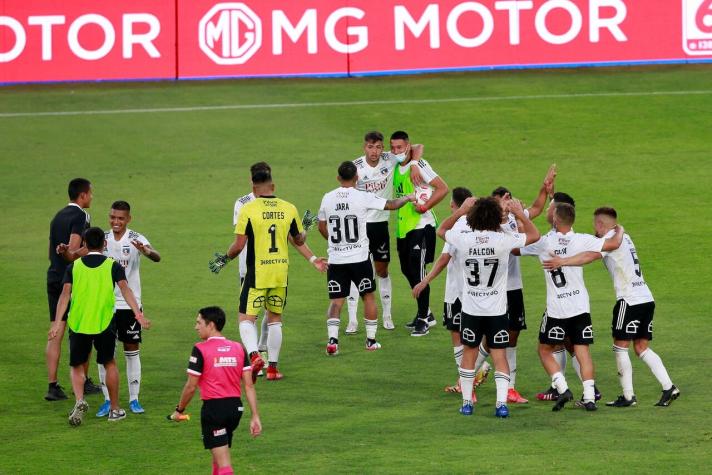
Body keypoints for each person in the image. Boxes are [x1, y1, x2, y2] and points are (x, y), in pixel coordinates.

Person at [542, 207, 679, 407]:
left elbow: (589, 256)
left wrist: (563, 261)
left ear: (600, 224)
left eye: (594, 224)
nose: (593, 228)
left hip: (629, 300)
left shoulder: (611, 241)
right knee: (641, 348)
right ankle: (668, 387)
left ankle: (628, 396)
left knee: (620, 347)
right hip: (646, 297)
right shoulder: (624, 235)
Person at [209, 169, 327, 381]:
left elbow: (238, 245)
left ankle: (254, 355)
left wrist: (224, 259)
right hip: (280, 272)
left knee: (246, 318)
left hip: (257, 272)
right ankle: (273, 368)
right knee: (275, 319)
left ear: (254, 188)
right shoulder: (288, 207)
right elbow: (298, 240)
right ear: (273, 186)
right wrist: (306, 232)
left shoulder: (248, 208)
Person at [438, 197, 540, 417]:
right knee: (499, 356)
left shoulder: (464, 239)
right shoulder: (503, 240)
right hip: (496, 310)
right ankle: (500, 405)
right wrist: (519, 213)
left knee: (469, 354)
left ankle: (467, 403)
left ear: (472, 217)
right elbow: (534, 236)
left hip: (471, 309)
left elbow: (442, 229)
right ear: (495, 217)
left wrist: (460, 211)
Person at [517, 203, 624, 411]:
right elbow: (613, 244)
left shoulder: (545, 242)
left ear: (555, 220)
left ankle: (563, 387)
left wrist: (519, 216)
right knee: (582, 351)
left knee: (544, 350)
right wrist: (618, 228)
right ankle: (590, 397)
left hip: (557, 308)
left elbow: (516, 247)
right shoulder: (583, 240)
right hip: (580, 306)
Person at [48, 227, 150, 426]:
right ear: (104, 244)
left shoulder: (74, 267)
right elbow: (125, 289)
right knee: (109, 363)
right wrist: (138, 314)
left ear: (84, 244)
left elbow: (64, 295)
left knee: (77, 365)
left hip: (79, 323)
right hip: (104, 323)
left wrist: (57, 323)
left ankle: (79, 401)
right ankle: (114, 409)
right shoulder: (112, 266)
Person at [472, 166, 557, 404]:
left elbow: (538, 208)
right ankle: (468, 376)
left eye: (508, 202)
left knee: (513, 336)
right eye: (503, 203)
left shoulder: (512, 219)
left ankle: (510, 388)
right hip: (496, 290)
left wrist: (545, 187)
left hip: (514, 288)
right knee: (494, 338)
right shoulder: (489, 225)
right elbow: (519, 248)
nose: (507, 206)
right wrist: (520, 218)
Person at [318, 161, 415, 354]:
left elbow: (321, 226)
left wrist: (336, 242)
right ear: (357, 178)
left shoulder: (327, 198)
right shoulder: (362, 197)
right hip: (359, 259)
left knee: (336, 301)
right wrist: (409, 197)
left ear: (338, 178)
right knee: (368, 296)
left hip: (336, 259)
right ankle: (370, 341)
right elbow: (391, 204)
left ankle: (333, 341)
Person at [413, 187, 490, 400]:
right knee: (481, 336)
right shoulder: (482, 226)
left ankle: (467, 382)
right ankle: (472, 375)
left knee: (459, 338)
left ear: (454, 205)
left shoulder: (457, 226)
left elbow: (444, 258)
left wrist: (425, 280)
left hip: (456, 293)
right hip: (481, 293)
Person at [345, 131, 424, 333]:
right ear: (365, 147)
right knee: (356, 271)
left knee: (382, 270)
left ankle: (387, 316)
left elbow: (418, 147)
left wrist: (414, 164)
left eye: (379, 147)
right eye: (371, 147)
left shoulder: (390, 159)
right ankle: (353, 320)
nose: (374, 151)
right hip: (361, 225)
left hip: (380, 225)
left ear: (383, 148)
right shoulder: (356, 167)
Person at [170, 307, 261, 475]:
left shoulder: (200, 349)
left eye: (198, 323)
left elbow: (191, 387)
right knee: (218, 456)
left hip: (214, 411)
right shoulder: (239, 348)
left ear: (210, 325)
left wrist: (179, 410)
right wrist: (255, 416)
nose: (196, 327)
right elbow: (249, 385)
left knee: (225, 465)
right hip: (235, 410)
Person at [95, 200, 161, 417]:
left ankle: (134, 398)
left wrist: (146, 251)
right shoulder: (102, 240)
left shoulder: (135, 238)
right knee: (106, 353)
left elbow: (156, 256)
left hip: (129, 304)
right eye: (113, 217)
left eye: (120, 218)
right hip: (105, 304)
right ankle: (107, 400)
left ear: (128, 219)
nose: (116, 221)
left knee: (131, 350)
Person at [45, 177, 101, 401]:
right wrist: (87, 251)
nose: (92, 196)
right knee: (82, 331)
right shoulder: (81, 215)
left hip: (53, 276)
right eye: (91, 193)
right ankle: (84, 381)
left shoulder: (57, 216)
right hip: (73, 279)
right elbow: (74, 249)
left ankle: (52, 386)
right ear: (83, 195)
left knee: (55, 330)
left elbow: (52, 251)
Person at [391, 130, 449, 336]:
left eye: (400, 147)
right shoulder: (398, 165)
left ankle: (424, 317)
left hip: (421, 227)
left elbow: (443, 189)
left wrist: (425, 207)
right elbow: (419, 147)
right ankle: (426, 313)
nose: (396, 151)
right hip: (403, 227)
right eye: (393, 147)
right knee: (407, 270)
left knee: (419, 271)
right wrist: (412, 161)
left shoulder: (421, 165)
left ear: (407, 146)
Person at [234, 162, 272, 373]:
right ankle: (254, 356)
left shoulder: (277, 204)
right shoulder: (242, 203)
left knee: (270, 310)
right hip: (248, 268)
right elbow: (242, 236)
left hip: (272, 267)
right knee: (251, 314)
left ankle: (263, 349)